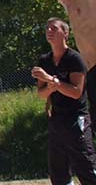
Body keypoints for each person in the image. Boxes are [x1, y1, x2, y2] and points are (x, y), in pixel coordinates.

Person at [32, 18, 96, 185]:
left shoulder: (75, 59)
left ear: (65, 33)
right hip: (57, 120)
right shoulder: (44, 61)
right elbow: (41, 93)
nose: (49, 31)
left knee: (87, 168)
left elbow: (76, 92)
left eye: (54, 28)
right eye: (47, 28)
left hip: (76, 120)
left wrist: (52, 81)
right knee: (59, 173)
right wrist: (51, 86)